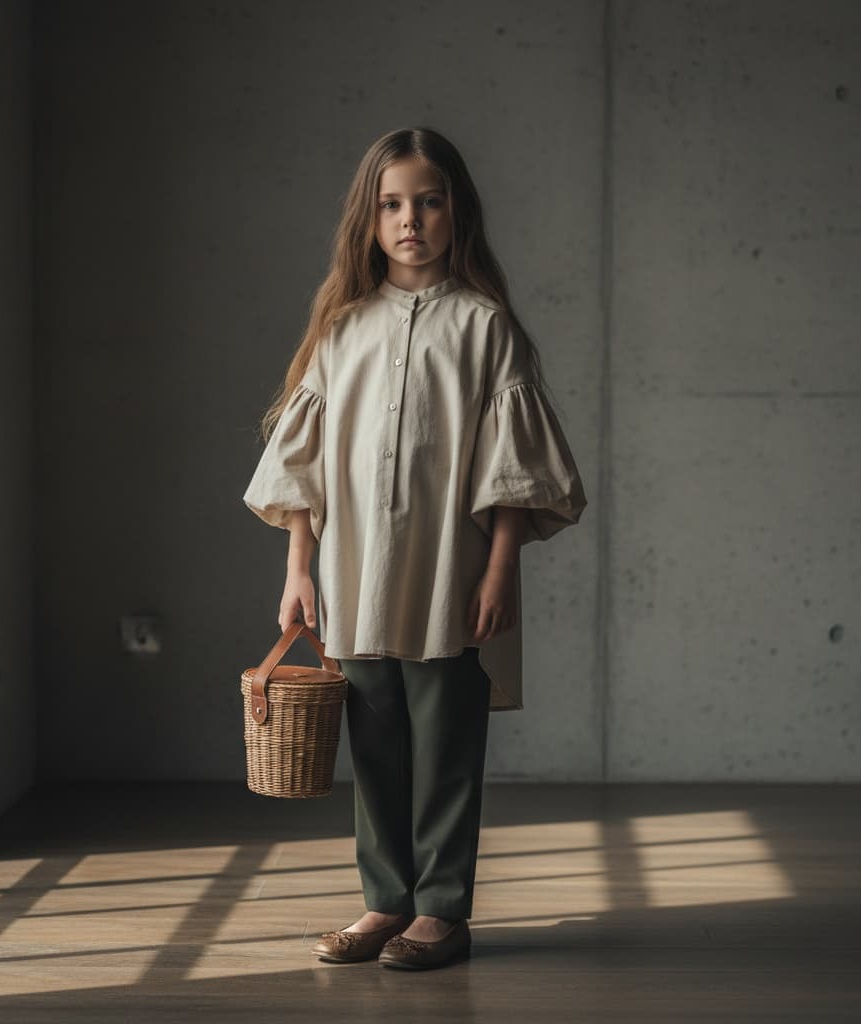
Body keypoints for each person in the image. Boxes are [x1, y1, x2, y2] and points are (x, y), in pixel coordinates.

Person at [242, 126, 587, 970]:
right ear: (369, 219)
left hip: (451, 576)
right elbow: (302, 467)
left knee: (447, 744)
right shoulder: (341, 330)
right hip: (353, 576)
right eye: (392, 204)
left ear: (455, 212)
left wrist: (501, 565)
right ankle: (384, 901)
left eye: (428, 201)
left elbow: (516, 467)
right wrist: (297, 570)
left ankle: (443, 909)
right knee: (377, 744)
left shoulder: (485, 329)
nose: (410, 220)